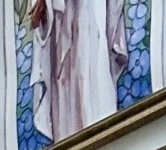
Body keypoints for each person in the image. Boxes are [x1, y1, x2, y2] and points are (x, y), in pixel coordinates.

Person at [27, 0, 129, 141]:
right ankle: (68, 144)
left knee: (90, 71)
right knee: (66, 83)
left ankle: (101, 136)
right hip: (62, 19)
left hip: (88, 11)